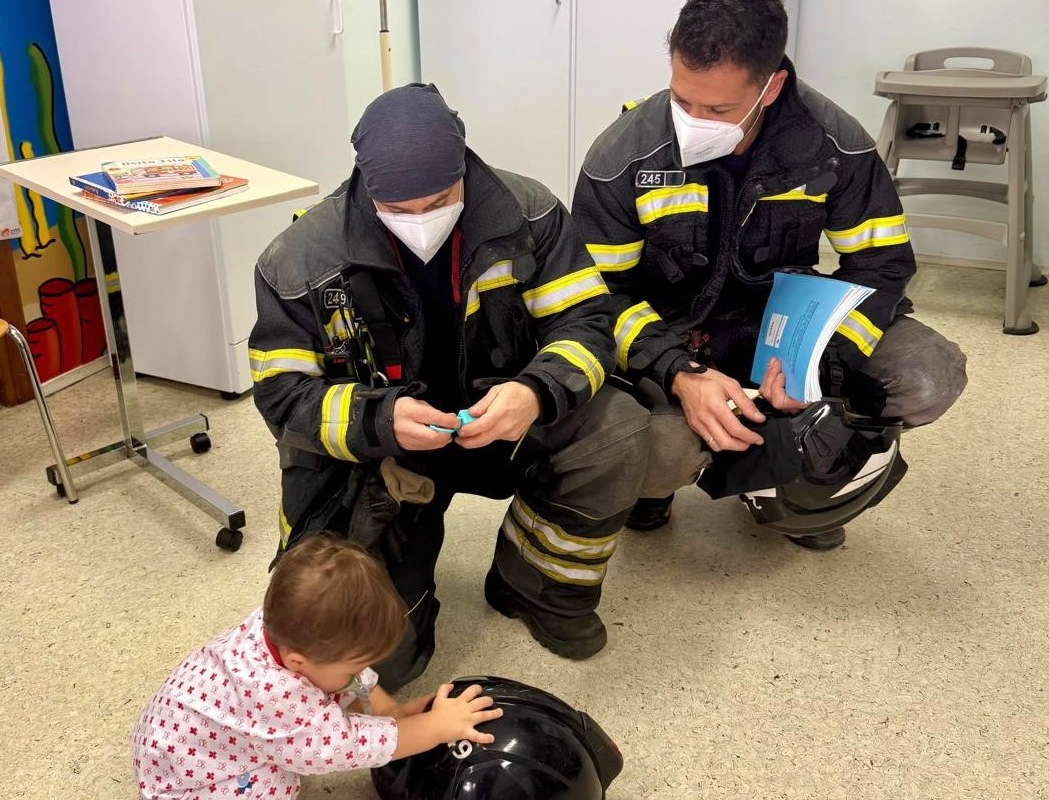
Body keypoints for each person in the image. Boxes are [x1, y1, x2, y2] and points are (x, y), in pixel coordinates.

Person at [248, 84, 678, 689]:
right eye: (397, 207)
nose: (421, 220)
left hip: (508, 422)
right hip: (385, 458)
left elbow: (588, 322)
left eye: (440, 199)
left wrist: (535, 391)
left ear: (465, 168)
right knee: (377, 660)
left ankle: (535, 586)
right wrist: (376, 421)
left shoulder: (529, 214)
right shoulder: (297, 260)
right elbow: (281, 394)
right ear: (363, 186)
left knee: (619, 427)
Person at [571, 0, 967, 549]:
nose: (691, 123)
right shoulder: (623, 156)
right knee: (656, 447)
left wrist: (817, 370)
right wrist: (679, 374)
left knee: (928, 374)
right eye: (682, 99)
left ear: (771, 88)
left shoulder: (834, 143)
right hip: (671, 335)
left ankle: (798, 476)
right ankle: (657, 486)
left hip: (783, 325)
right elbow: (598, 295)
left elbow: (880, 263)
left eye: (716, 109)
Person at [130, 536, 502, 800]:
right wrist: (435, 728)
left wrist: (390, 712)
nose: (362, 674)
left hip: (175, 735)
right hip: (186, 780)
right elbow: (348, 746)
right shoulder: (280, 700)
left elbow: (355, 682)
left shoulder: (286, 628)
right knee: (274, 788)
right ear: (297, 663)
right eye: (355, 666)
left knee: (334, 686)